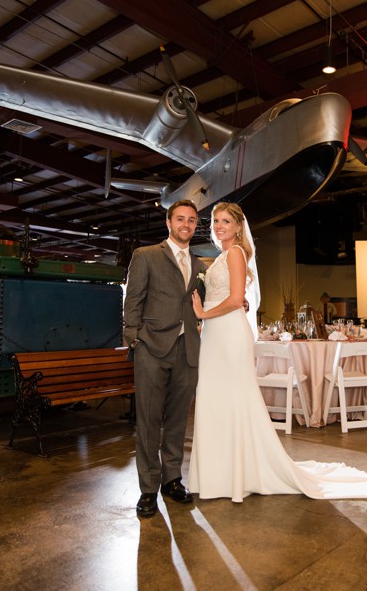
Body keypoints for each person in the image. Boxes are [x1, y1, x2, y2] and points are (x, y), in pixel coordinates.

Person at [189, 202, 367, 502]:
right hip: (217, 334)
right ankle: (222, 472)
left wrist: (203, 314)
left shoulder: (236, 253)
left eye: (226, 221)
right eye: (215, 221)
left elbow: (237, 298)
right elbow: (235, 299)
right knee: (217, 398)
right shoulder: (222, 256)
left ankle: (238, 472)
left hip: (227, 333)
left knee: (234, 397)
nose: (219, 226)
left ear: (239, 227)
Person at [123, 199, 207, 518]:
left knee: (176, 421)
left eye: (192, 220)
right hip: (152, 348)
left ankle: (172, 480)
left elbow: (202, 303)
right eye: (180, 219)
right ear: (169, 223)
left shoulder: (199, 264)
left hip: (188, 349)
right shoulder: (146, 256)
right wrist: (135, 337)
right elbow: (133, 301)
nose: (186, 224)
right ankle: (148, 489)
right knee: (148, 420)